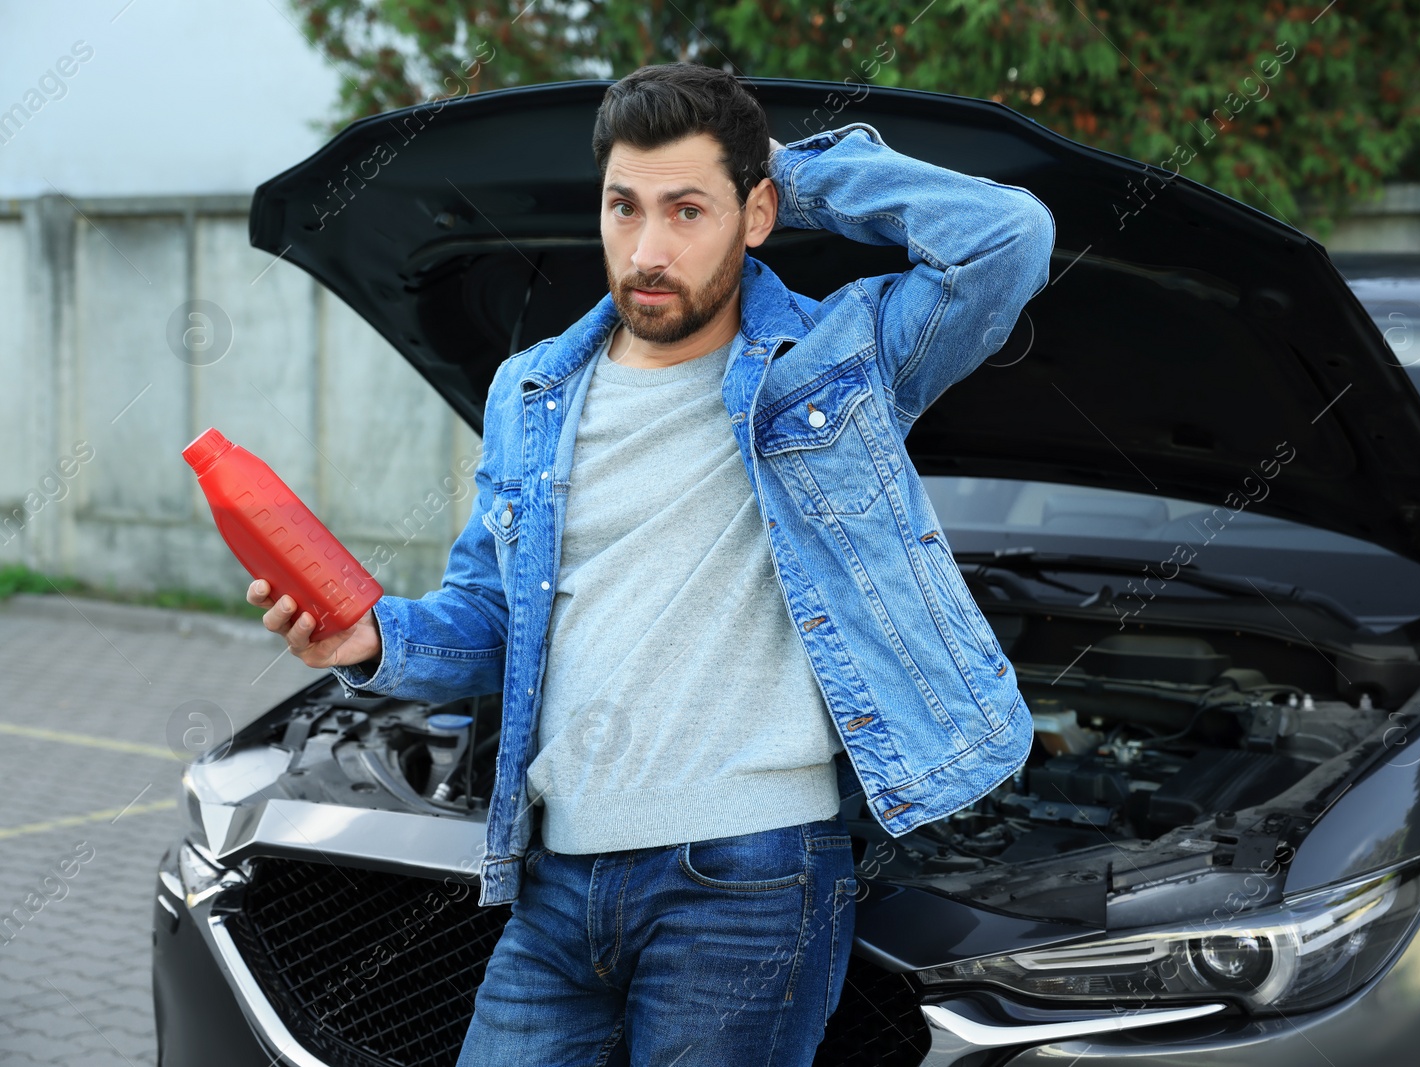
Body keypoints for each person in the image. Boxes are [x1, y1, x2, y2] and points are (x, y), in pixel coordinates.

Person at [247, 60, 1053, 1066]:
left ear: (754, 212)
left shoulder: (835, 358)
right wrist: (373, 639)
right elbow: (491, 615)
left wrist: (788, 171)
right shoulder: (531, 388)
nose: (647, 248)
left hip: (751, 881)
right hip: (554, 880)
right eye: (624, 207)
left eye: (686, 210)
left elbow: (1005, 240)